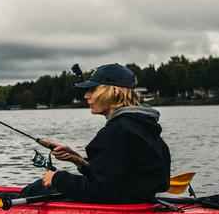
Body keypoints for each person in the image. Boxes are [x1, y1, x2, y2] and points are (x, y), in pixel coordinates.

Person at [24, 63, 171, 203]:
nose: (86, 96)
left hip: (124, 208)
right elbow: (119, 177)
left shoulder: (116, 131)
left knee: (40, 187)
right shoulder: (143, 125)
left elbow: (103, 190)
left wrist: (58, 178)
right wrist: (79, 160)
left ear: (112, 92)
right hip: (138, 201)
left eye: (92, 90)